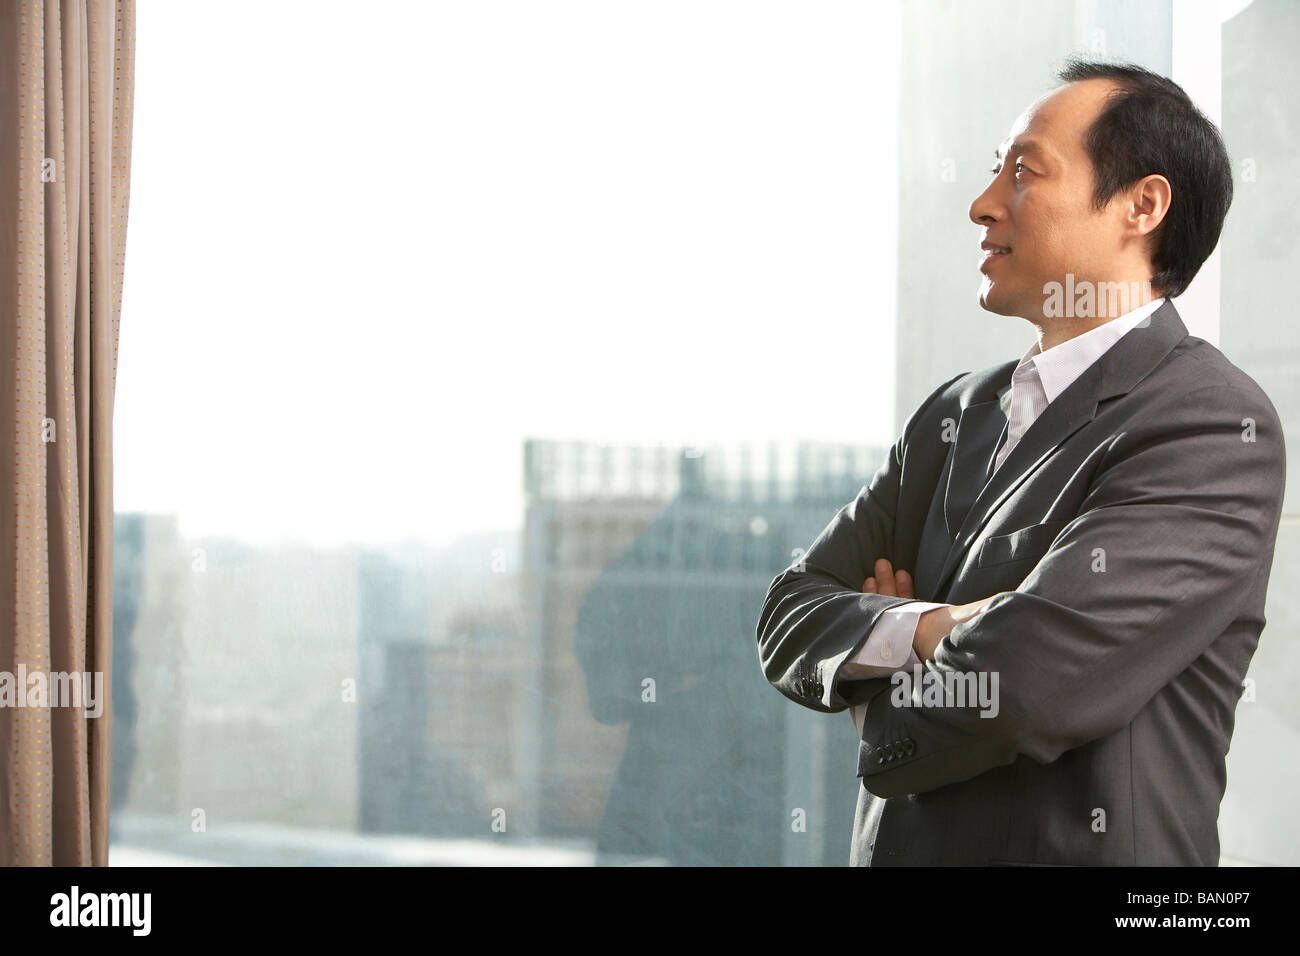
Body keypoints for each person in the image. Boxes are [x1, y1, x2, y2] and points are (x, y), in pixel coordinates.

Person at [755, 57, 1286, 865]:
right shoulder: (953, 413)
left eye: (1023, 171)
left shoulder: (1209, 423)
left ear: (1141, 205)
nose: (982, 204)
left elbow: (1022, 689)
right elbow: (790, 613)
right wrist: (931, 628)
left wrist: (876, 695)